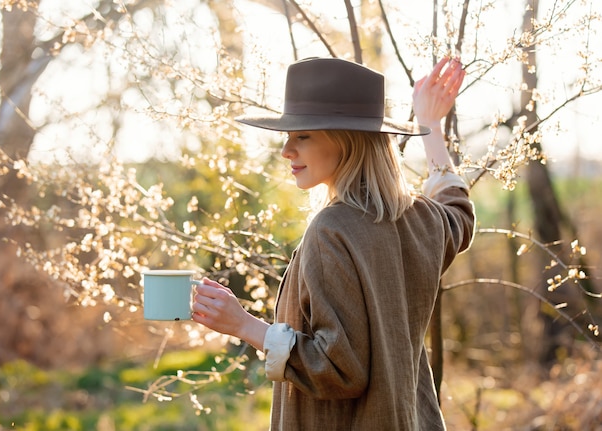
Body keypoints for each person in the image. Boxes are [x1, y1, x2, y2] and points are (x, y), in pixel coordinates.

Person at [191, 56, 475, 430]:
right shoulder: (420, 218)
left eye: (303, 136)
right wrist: (430, 125)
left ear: (347, 141)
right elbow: (459, 212)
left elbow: (340, 369)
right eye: (287, 136)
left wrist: (244, 326)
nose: (286, 150)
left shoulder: (331, 230)